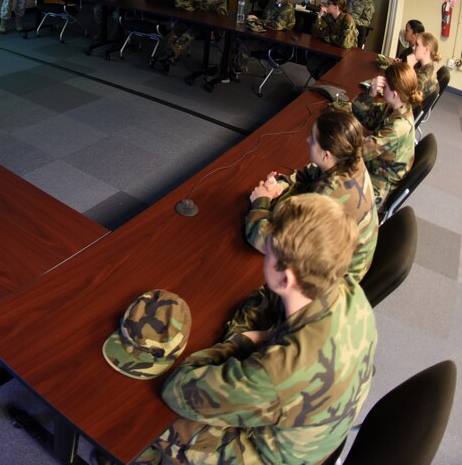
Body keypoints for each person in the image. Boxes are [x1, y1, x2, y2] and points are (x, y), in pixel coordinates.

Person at [133, 193, 376, 465]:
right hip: (320, 433)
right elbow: (267, 301)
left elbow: (178, 390)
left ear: (286, 277)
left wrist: (245, 341)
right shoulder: (351, 293)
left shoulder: (274, 375)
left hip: (274, 455)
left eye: (269, 249)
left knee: (157, 421)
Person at [244, 109, 378, 283]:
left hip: (334, 282)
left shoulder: (328, 195)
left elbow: (273, 244)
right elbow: (310, 174)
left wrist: (261, 202)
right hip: (347, 253)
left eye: (313, 140)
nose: (307, 140)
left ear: (326, 154)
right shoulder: (350, 157)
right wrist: (280, 186)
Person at [350, 62, 421, 207]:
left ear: (395, 94)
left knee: (332, 192)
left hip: (379, 185)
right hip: (374, 168)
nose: (382, 88)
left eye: (385, 86)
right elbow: (364, 115)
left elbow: (363, 150)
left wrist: (340, 135)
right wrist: (370, 93)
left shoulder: (398, 126)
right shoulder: (395, 107)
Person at [212, 0, 295, 86]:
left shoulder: (288, 7)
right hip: (263, 34)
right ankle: (224, 71)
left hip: (274, 42)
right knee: (233, 40)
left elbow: (277, 25)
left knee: (244, 45)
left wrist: (257, 20)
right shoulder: (271, 1)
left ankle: (238, 68)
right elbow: (266, 19)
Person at [152, 0, 228, 73]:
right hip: (193, 20)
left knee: (189, 34)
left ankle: (166, 57)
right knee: (175, 31)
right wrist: (185, 5)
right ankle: (166, 58)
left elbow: (222, 13)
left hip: (205, 26)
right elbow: (190, 1)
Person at [306, 0, 359, 80]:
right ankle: (321, 84)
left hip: (345, 55)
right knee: (311, 66)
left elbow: (345, 43)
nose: (326, 5)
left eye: (329, 3)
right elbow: (316, 33)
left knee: (323, 73)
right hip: (331, 50)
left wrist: (327, 37)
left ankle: (323, 85)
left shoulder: (347, 19)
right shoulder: (329, 17)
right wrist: (319, 17)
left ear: (336, 7)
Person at [401, 31, 442, 104]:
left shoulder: (424, 77)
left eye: (417, 45)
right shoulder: (426, 68)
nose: (413, 47)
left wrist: (409, 68)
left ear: (426, 50)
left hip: (404, 109)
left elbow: (408, 98)